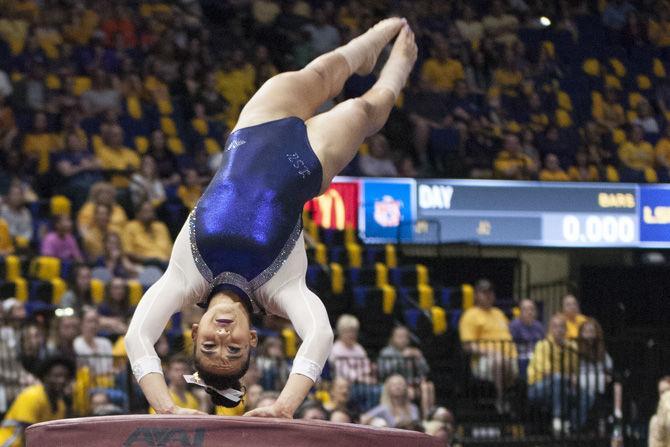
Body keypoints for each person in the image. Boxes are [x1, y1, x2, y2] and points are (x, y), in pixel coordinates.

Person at [125, 18, 417, 417]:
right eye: (234, 348)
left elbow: (138, 335)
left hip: (257, 127)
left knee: (323, 72)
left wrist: (167, 408)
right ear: (253, 339)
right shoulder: (278, 289)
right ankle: (398, 69)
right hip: (310, 162)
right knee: (366, 108)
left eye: (209, 345)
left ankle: (366, 47)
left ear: (194, 332)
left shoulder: (185, 278)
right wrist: (284, 407)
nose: (223, 336)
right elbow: (320, 334)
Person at [459, 279, 517, 413]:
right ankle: (501, 398)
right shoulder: (470, 315)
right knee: (499, 361)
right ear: (476, 295)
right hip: (482, 361)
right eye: (484, 292)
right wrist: (490, 352)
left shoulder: (499, 313)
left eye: (490, 292)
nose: (488, 295)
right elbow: (467, 346)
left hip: (510, 357)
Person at [0, 356, 75, 446]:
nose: (62, 380)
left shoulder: (61, 405)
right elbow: (27, 436)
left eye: (66, 377)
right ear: (45, 377)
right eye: (56, 376)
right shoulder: (32, 396)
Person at [527, 314, 580, 433]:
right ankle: (558, 418)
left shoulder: (572, 346)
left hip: (561, 387)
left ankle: (574, 428)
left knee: (575, 390)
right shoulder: (542, 345)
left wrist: (573, 378)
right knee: (557, 379)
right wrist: (568, 377)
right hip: (537, 387)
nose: (559, 330)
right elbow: (546, 372)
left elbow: (575, 371)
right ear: (550, 329)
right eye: (555, 327)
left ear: (566, 330)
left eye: (562, 327)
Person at [509, 299, 545, 375]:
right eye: (525, 309)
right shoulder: (514, 326)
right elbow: (510, 344)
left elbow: (543, 343)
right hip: (520, 357)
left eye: (532, 309)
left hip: (537, 356)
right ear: (520, 312)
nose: (529, 312)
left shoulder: (539, 326)